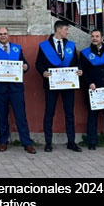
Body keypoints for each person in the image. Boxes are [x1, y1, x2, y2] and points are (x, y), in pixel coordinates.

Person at [0, 26, 36, 154]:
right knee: (2, 116)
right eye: (0, 34)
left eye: (5, 33)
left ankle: (27, 143)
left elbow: (25, 65)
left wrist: (25, 66)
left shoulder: (17, 48)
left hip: (15, 88)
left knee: (21, 116)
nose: (3, 36)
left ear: (8, 35)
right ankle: (3, 141)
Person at [35, 20, 83, 153]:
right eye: (66, 29)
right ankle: (48, 142)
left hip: (68, 83)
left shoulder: (71, 45)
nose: (67, 32)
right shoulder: (44, 46)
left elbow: (76, 62)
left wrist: (79, 70)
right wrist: (43, 72)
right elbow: (39, 64)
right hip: (52, 83)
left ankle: (71, 142)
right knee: (49, 113)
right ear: (58, 30)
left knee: (69, 113)